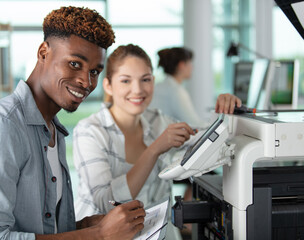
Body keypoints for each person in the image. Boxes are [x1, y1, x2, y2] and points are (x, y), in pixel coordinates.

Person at [0, 6, 146, 239]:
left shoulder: (53, 131)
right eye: (75, 64)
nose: (86, 81)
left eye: (94, 71)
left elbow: (42, 229)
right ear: (43, 52)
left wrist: (87, 226)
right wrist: (99, 235)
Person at [73, 44, 241, 228]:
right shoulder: (90, 131)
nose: (137, 90)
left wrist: (225, 112)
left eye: (145, 80)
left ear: (153, 81)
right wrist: (154, 150)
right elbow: (106, 203)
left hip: (155, 231)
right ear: (108, 86)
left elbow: (207, 136)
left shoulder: (158, 121)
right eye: (125, 81)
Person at [149, 47, 209, 128]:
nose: (192, 67)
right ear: (182, 65)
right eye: (190, 63)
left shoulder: (158, 86)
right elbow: (194, 123)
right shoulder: (176, 91)